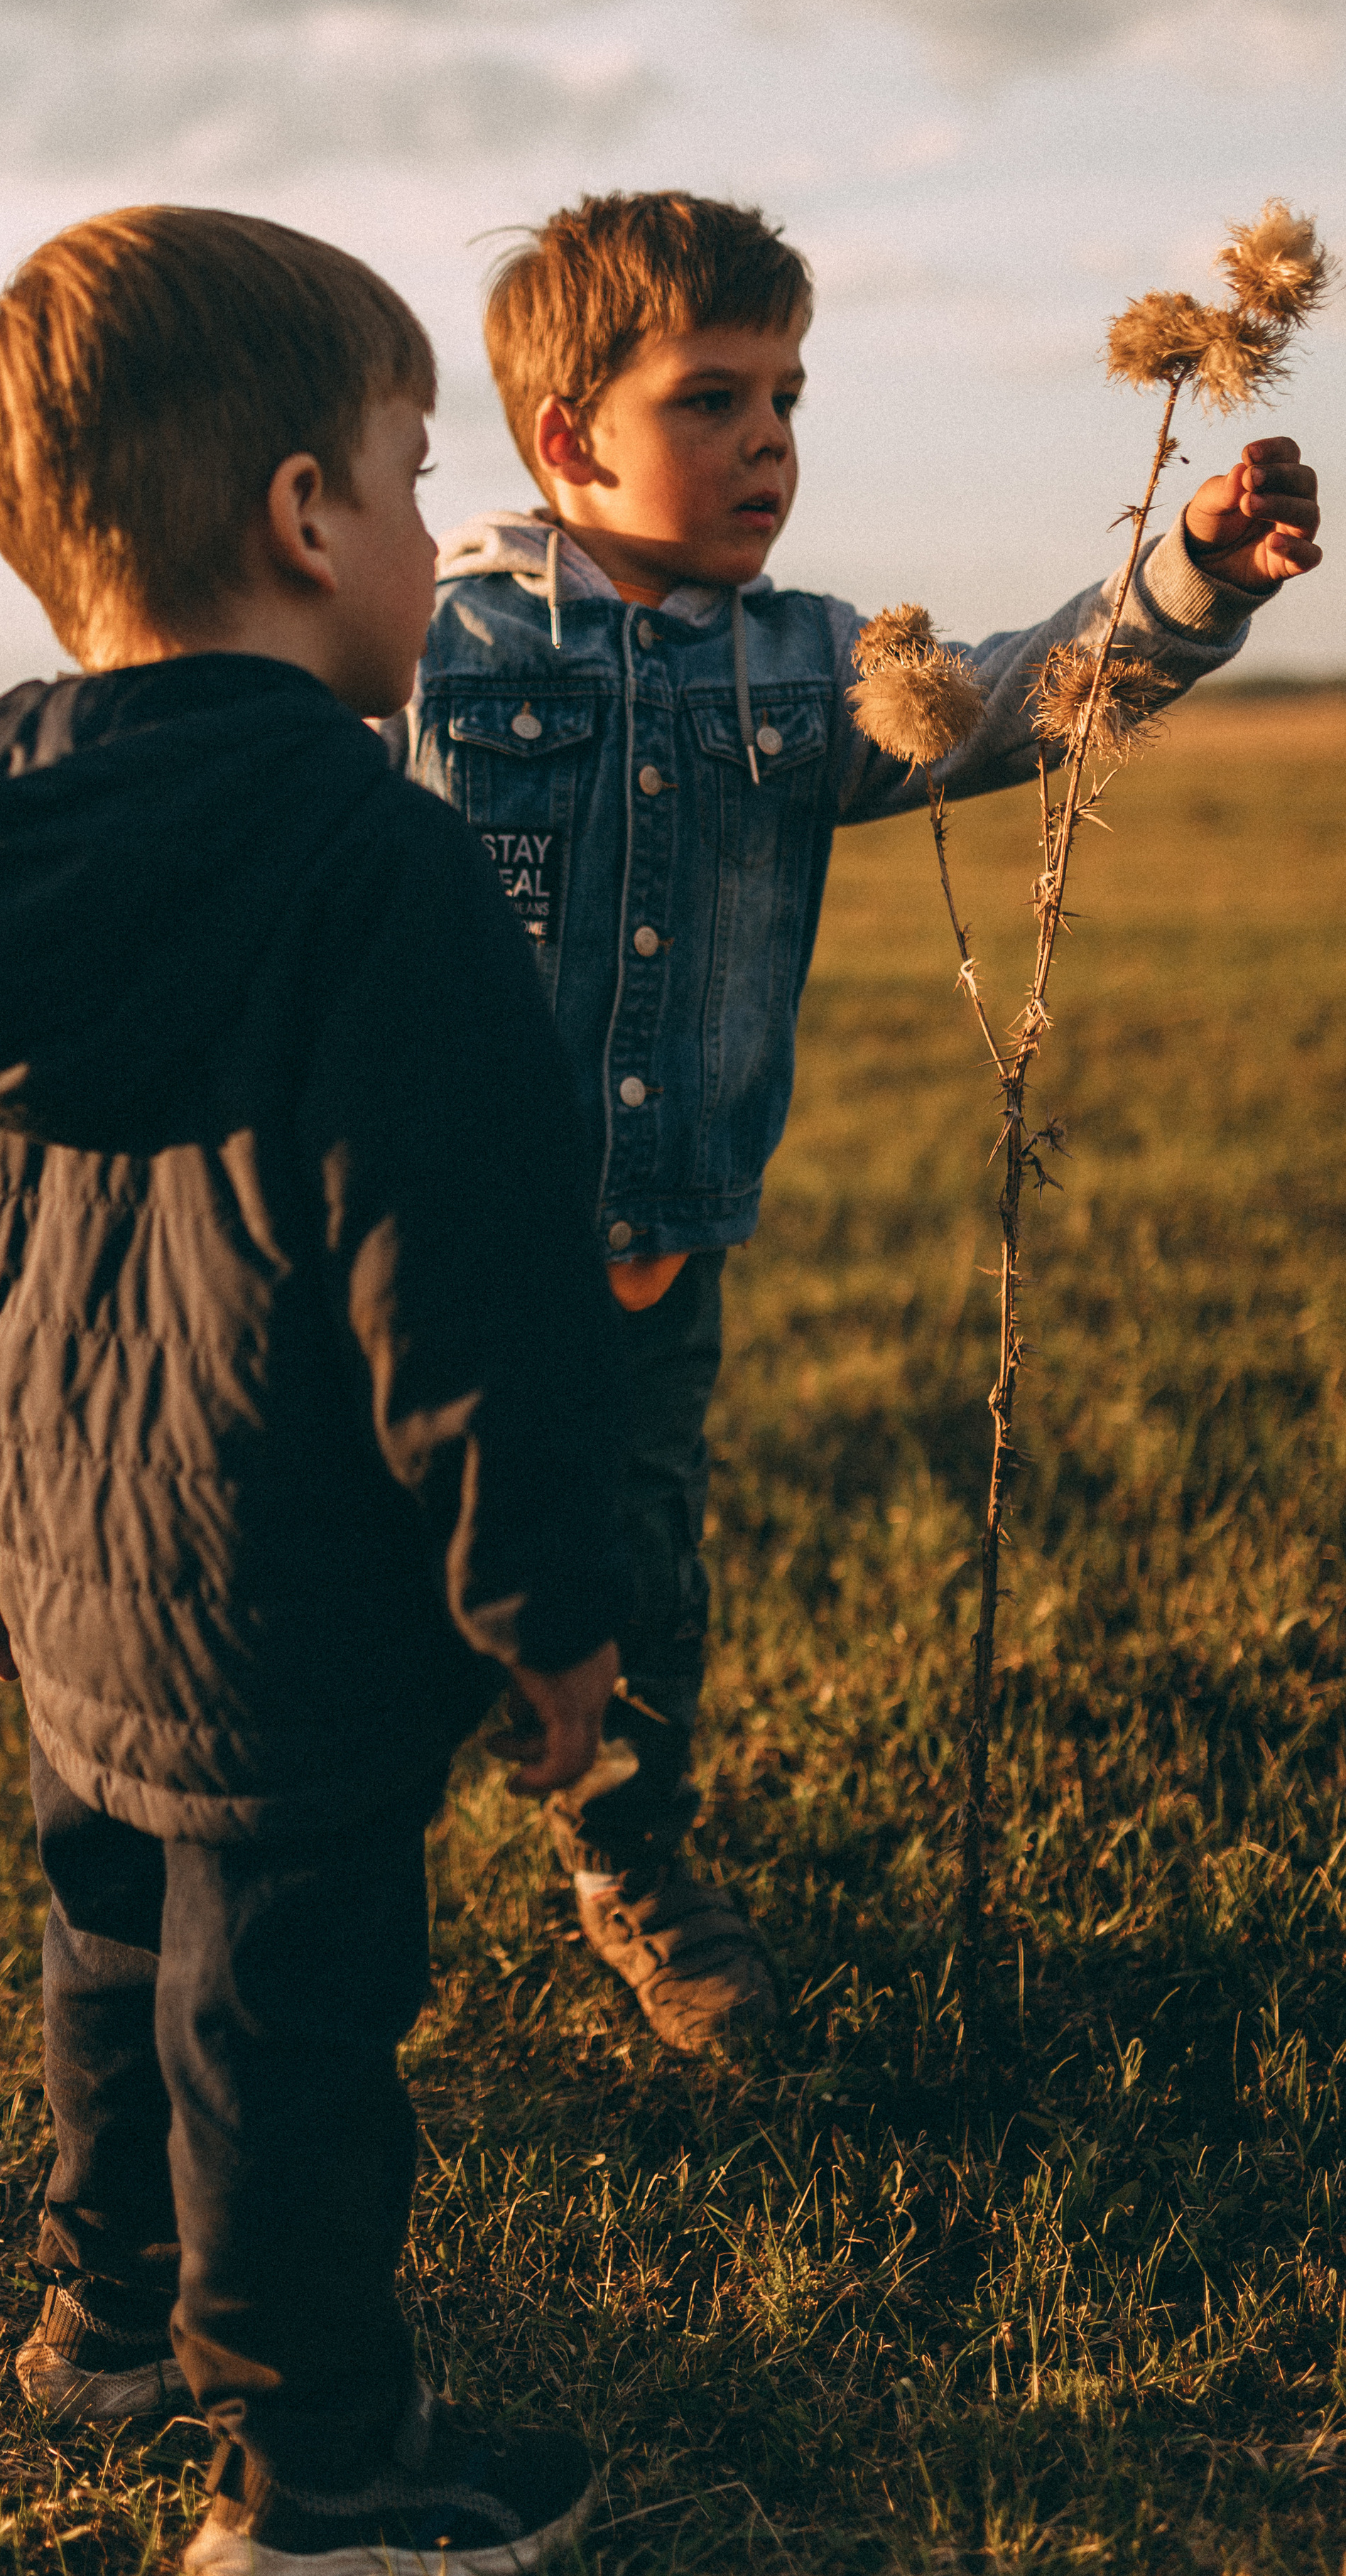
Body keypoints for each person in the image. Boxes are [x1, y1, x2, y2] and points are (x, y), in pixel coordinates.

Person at [0, 205, 630, 2576]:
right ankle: (321, 2487)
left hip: (73, 1575)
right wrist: (543, 1603)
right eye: (407, 478)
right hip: (288, 1607)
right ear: (304, 518)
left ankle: (106, 2327)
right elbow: (464, 1276)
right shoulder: (376, 867)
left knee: (106, 1943)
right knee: (285, 2038)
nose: (424, 532)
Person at [391, 188, 1324, 2055]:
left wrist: (1193, 575)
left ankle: (632, 1865)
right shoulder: (436, 650)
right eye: (715, 400)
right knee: (399, 1580)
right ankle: (340, 1883)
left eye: (791, 400)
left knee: (647, 1573)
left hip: (663, 1245)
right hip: (425, 1263)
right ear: (568, 436)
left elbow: (1011, 711)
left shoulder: (812, 663)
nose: (770, 444)